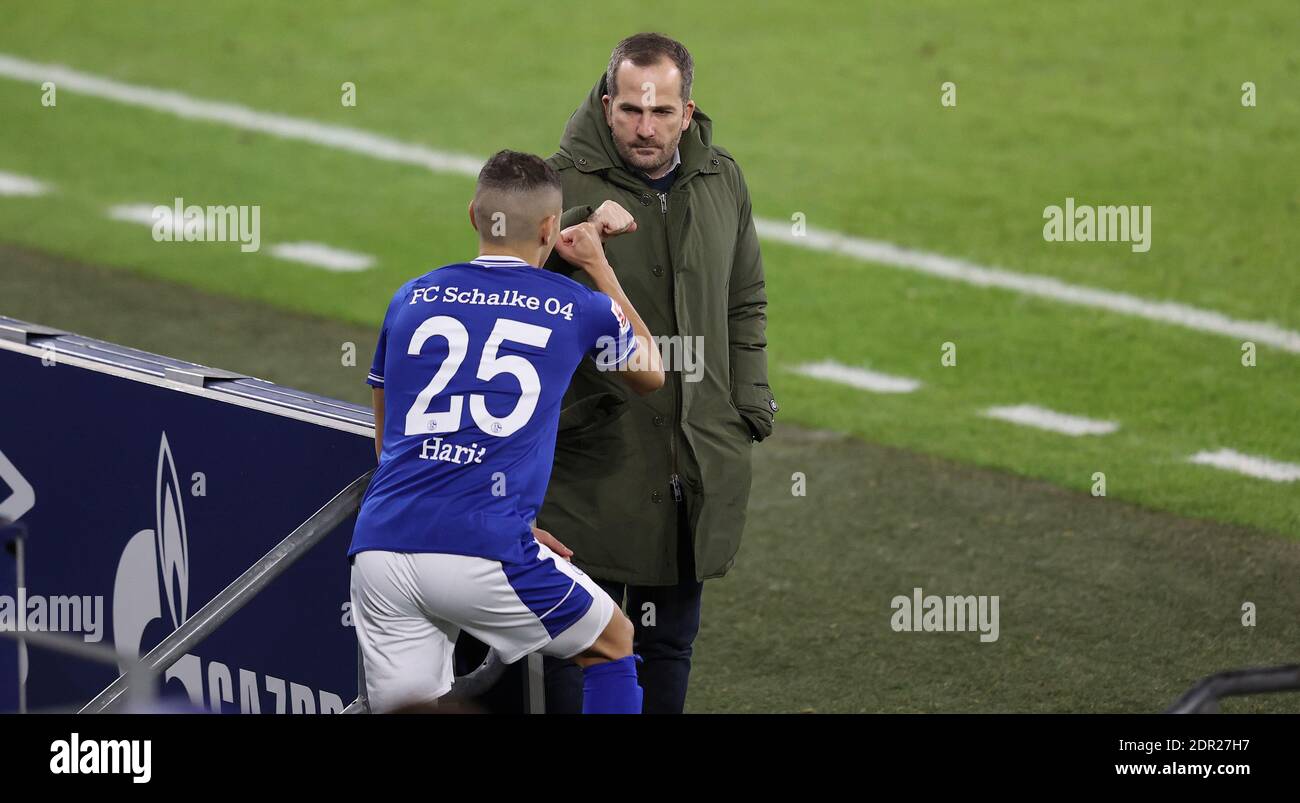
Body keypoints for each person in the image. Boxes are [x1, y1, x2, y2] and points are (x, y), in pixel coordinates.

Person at [348, 149, 664, 714]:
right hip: (482, 546)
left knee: (411, 710)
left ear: (474, 215)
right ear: (550, 227)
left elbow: (386, 436)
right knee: (613, 641)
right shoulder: (577, 306)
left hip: (382, 546)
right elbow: (650, 371)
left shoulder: (412, 297)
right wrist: (597, 264)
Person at [540, 33, 776, 714]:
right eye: (631, 112)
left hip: (690, 457)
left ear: (687, 110)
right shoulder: (560, 184)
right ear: (608, 103)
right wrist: (579, 229)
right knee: (576, 642)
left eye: (662, 113)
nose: (646, 129)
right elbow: (509, 286)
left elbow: (745, 299)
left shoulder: (722, 178)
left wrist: (748, 402)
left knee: (669, 642)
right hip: (592, 463)